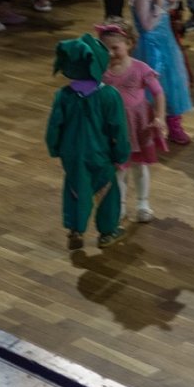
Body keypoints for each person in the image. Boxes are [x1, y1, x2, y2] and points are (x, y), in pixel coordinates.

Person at [45, 35, 133, 250]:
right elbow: (118, 129)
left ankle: (75, 230)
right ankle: (107, 232)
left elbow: (54, 127)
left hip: (71, 154)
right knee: (107, 191)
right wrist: (121, 153)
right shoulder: (109, 95)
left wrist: (55, 148)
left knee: (76, 188)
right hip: (99, 154)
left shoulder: (63, 95)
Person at [97, 22, 166, 225]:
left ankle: (143, 203)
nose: (110, 54)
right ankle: (120, 205)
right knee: (119, 168)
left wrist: (160, 116)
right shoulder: (101, 71)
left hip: (138, 125)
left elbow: (158, 93)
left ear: (129, 43)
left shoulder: (140, 68)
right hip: (114, 127)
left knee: (139, 165)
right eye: (105, 49)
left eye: (115, 48)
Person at [129, 0, 192, 145]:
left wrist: (170, 1)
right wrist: (159, 4)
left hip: (166, 42)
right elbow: (147, 25)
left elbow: (163, 12)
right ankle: (151, 126)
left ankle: (174, 125)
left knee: (173, 82)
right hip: (151, 47)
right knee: (155, 85)